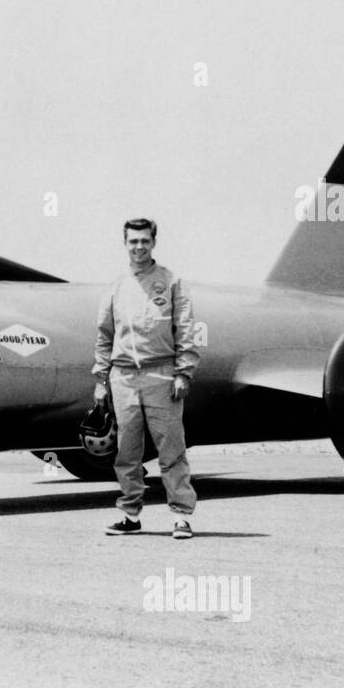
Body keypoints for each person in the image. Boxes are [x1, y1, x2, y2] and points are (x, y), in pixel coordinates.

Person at [92, 218, 199, 539]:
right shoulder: (115, 287)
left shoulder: (171, 281)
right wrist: (101, 380)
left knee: (171, 449)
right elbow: (104, 336)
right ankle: (130, 515)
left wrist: (184, 372)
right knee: (127, 452)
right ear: (125, 244)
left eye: (144, 241)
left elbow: (186, 329)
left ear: (154, 242)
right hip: (123, 377)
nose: (139, 247)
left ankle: (181, 516)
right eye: (133, 241)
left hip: (161, 374)